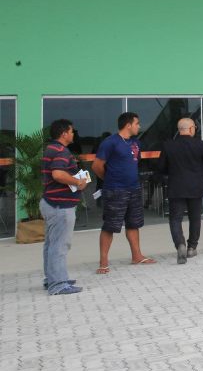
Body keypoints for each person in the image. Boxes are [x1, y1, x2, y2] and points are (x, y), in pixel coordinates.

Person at [93, 112, 154, 273]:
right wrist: (109, 179)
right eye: (137, 123)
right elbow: (97, 166)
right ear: (128, 125)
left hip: (134, 188)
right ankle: (103, 262)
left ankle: (137, 256)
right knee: (110, 226)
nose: (139, 126)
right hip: (115, 190)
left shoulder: (136, 143)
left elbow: (135, 162)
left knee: (134, 223)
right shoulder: (110, 142)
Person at [158, 118, 203, 264]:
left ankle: (180, 244)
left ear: (179, 130)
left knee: (175, 219)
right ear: (191, 129)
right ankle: (192, 247)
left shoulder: (168, 145)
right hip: (196, 187)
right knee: (195, 218)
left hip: (176, 187)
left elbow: (160, 168)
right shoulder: (200, 144)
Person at [41, 119, 90, 294]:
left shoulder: (52, 148)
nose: (73, 134)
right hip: (60, 205)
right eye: (71, 131)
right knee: (60, 245)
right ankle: (58, 284)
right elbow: (58, 174)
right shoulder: (61, 150)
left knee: (51, 244)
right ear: (64, 133)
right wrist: (78, 182)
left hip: (51, 203)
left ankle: (53, 278)